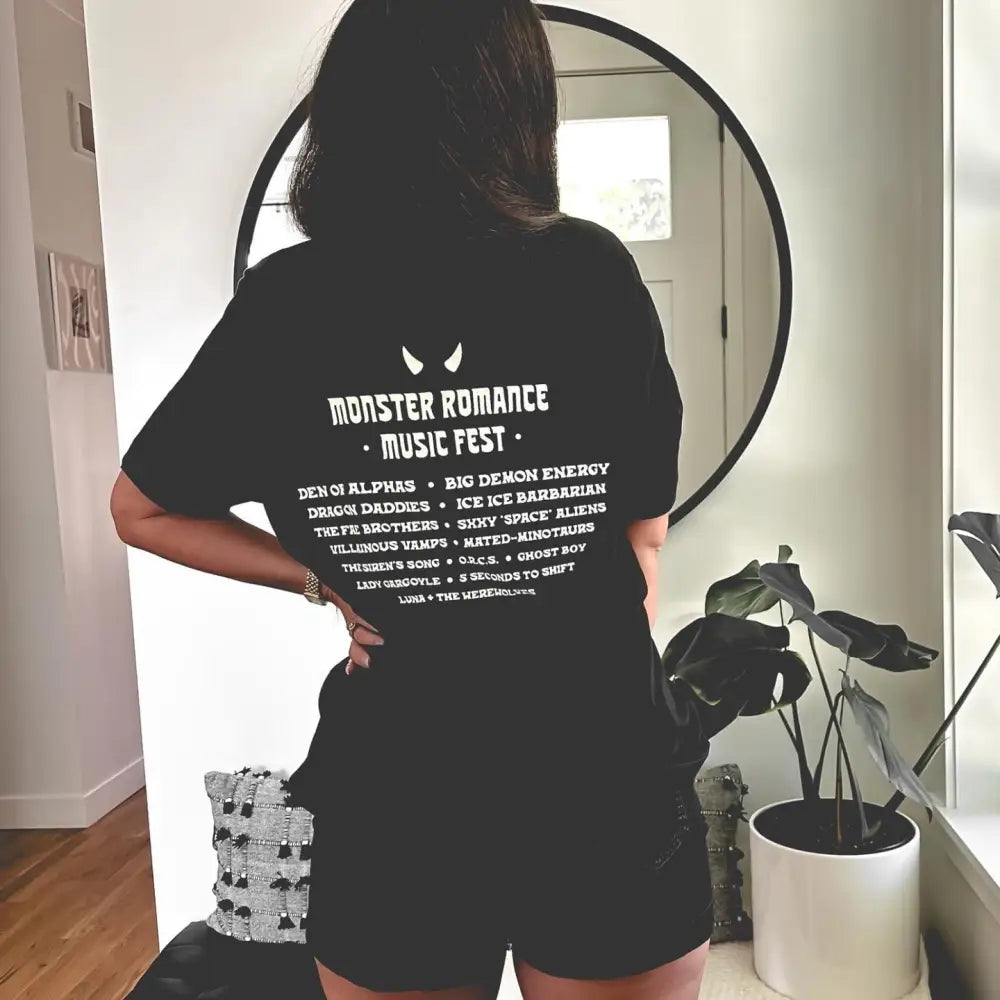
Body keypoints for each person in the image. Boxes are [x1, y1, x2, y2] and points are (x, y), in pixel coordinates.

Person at [110, 2, 721, 997]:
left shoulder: (286, 304)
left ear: (345, 110)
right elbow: (642, 545)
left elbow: (140, 509)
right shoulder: (592, 272)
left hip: (395, 792)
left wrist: (321, 579)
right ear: (520, 103)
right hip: (601, 772)